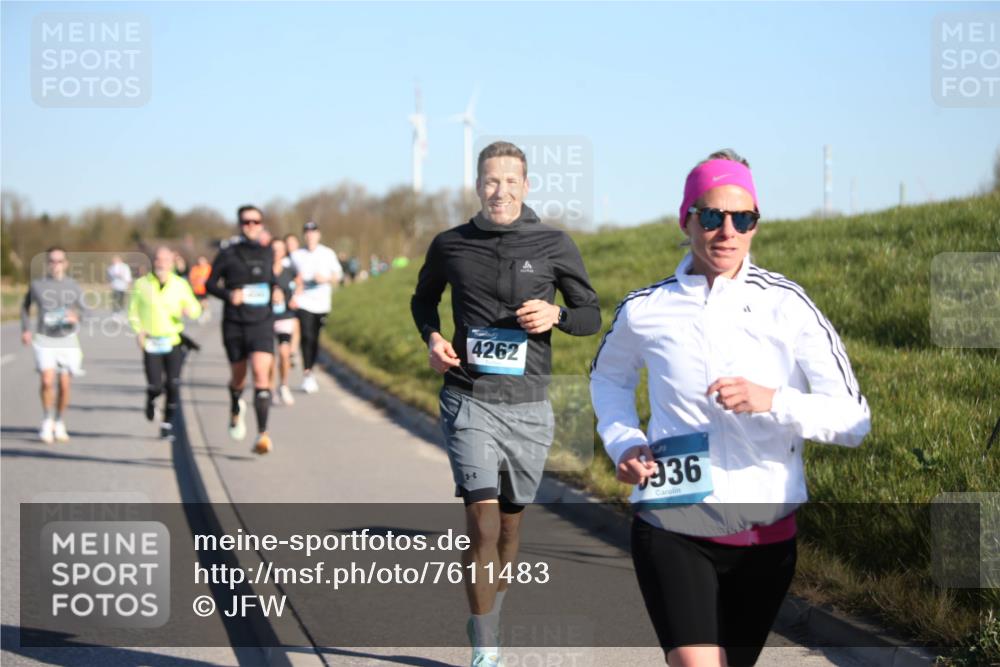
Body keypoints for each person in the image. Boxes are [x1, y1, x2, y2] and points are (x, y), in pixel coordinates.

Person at [589, 149, 872, 667]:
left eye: (742, 218)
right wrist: (624, 440)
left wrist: (774, 401)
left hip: (766, 530)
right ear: (686, 219)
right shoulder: (646, 308)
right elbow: (608, 377)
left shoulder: (788, 304)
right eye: (712, 216)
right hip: (672, 518)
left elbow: (854, 420)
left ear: (755, 225)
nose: (727, 230)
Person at [411, 141, 601, 667]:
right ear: (477, 185)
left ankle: (493, 610)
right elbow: (422, 299)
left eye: (510, 181)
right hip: (469, 399)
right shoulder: (450, 244)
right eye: (491, 181)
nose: (501, 190)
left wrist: (556, 315)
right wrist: (431, 336)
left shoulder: (554, 242)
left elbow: (590, 315)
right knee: (483, 525)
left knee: (512, 528)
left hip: (529, 406)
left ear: (526, 185)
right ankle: (485, 644)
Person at [205, 205, 278, 455]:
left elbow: (275, 281)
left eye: (255, 222)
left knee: (261, 374)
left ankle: (262, 435)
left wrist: (279, 291)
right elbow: (209, 284)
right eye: (246, 222)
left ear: (262, 224)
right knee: (239, 378)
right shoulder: (228, 253)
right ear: (239, 224)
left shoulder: (269, 252)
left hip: (262, 322)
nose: (251, 226)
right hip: (235, 323)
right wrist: (229, 294)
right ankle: (236, 404)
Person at [128, 246, 202, 439]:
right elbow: (132, 312)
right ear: (154, 262)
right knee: (155, 385)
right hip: (151, 341)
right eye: (158, 260)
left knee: (173, 384)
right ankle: (151, 399)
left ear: (172, 262)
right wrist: (138, 331)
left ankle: (167, 423)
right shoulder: (142, 284)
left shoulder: (180, 284)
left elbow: (195, 308)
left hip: (173, 341)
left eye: (165, 260)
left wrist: (190, 310)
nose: (161, 263)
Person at [20, 247, 87, 444]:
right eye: (52, 261)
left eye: (59, 261)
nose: (55, 265)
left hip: (67, 341)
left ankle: (59, 420)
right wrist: (25, 329)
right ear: (47, 263)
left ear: (65, 264)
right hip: (44, 339)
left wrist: (76, 316)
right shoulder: (37, 285)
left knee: (65, 386)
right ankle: (47, 419)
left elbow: (87, 311)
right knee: (47, 381)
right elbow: (25, 307)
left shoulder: (73, 286)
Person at [290, 221, 342, 394]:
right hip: (303, 301)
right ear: (304, 235)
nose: (310, 235)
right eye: (307, 232)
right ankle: (307, 374)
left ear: (318, 234)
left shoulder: (327, 253)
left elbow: (338, 276)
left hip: (321, 303)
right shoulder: (297, 255)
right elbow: (288, 276)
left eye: (313, 232)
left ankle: (311, 369)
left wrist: (325, 279)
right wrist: (295, 283)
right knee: (306, 335)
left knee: (315, 338)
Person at [269, 236, 301, 405]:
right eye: (273, 249)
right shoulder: (265, 270)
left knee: (283, 352)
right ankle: (271, 389)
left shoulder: (289, 270)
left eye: (280, 249)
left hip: (285, 316)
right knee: (270, 357)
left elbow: (299, 283)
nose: (276, 252)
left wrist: (295, 297)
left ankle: (284, 385)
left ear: (284, 251)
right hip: (267, 317)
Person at [283, 234, 303, 366]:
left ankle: (292, 351)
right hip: (286, 297)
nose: (290, 246)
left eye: (292, 243)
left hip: (300, 296)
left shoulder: (302, 257)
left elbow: (300, 278)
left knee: (297, 325)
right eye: (288, 243)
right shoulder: (284, 260)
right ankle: (286, 350)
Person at [188, 256, 213, 323]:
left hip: (205, 289)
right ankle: (204, 312)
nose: (201, 262)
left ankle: (205, 312)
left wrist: (205, 280)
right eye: (200, 261)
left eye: (202, 261)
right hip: (197, 289)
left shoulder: (208, 268)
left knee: (204, 302)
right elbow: (191, 278)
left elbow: (212, 277)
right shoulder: (195, 269)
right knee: (199, 303)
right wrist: (196, 281)